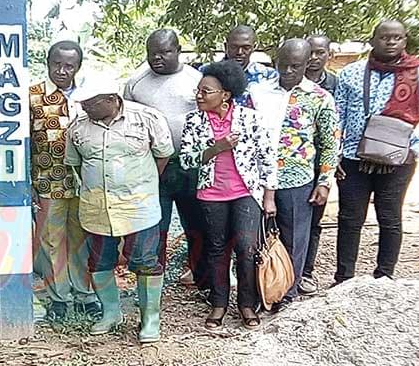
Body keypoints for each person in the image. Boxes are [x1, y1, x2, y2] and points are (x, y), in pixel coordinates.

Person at [334, 20, 419, 284]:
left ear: (405, 41)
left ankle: (384, 276)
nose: (391, 42)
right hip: (353, 159)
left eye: (397, 37)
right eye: (385, 37)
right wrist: (335, 154)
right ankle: (344, 278)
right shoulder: (351, 73)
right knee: (350, 219)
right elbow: (337, 115)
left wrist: (415, 149)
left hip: (398, 161)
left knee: (389, 217)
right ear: (373, 40)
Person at [65, 79, 174, 343]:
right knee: (99, 261)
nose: (86, 107)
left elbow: (163, 154)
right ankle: (111, 313)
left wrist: (143, 183)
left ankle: (150, 320)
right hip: (98, 208)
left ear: (112, 99)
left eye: (92, 103)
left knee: (145, 261)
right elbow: (76, 164)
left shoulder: (146, 118)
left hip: (139, 207)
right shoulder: (77, 128)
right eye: (83, 103)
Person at [180, 60, 278, 330]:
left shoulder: (250, 118)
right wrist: (216, 148)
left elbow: (267, 159)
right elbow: (187, 160)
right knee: (215, 249)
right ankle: (219, 303)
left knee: (246, 247)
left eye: (206, 91)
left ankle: (246, 303)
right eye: (198, 90)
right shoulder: (194, 120)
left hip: (246, 192)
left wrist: (269, 197)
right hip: (211, 195)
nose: (199, 95)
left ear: (225, 94)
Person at [251, 39, 339, 307]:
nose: (288, 71)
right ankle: (261, 292)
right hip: (258, 180)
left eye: (296, 66)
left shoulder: (320, 98)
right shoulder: (258, 93)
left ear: (307, 63)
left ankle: (286, 295)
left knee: (294, 240)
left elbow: (329, 142)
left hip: (297, 180)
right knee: (257, 240)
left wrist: (324, 182)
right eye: (283, 65)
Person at [123, 29, 205, 287]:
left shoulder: (196, 79)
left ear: (178, 51)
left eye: (165, 52)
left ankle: (198, 273)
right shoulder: (136, 81)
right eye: (152, 53)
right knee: (155, 223)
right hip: (153, 166)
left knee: (195, 221)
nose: (157, 58)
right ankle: (153, 278)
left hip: (190, 164)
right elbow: (125, 121)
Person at [30, 40, 101, 323]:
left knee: (82, 239)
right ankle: (58, 296)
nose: (62, 70)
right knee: (51, 240)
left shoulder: (90, 97)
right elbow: (22, 142)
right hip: (48, 181)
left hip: (86, 183)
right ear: (47, 62)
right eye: (56, 64)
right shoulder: (31, 96)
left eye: (69, 66)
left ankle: (84, 294)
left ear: (78, 67)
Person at [299, 34, 339, 295]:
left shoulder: (335, 84)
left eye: (320, 52)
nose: (314, 58)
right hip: (291, 162)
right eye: (309, 53)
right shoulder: (281, 84)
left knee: (313, 221)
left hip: (319, 162)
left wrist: (332, 165)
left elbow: (339, 124)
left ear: (329, 55)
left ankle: (306, 272)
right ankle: (278, 273)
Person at [197, 25, 279, 108]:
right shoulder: (205, 72)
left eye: (246, 48)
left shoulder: (267, 75)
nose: (239, 52)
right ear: (226, 46)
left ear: (254, 48)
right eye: (234, 47)